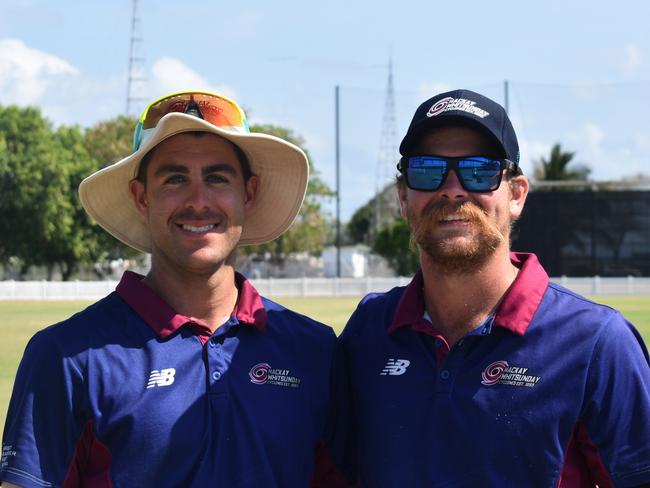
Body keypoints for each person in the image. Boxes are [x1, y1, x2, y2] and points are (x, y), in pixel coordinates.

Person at [0, 90, 339, 487]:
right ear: (141, 197)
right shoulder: (67, 357)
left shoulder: (314, 349)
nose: (198, 200)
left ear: (248, 193)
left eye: (217, 177)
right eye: (175, 179)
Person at [334, 89, 650, 487]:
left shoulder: (597, 342)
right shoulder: (370, 329)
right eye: (429, 170)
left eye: (479, 170)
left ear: (516, 195)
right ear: (403, 198)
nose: (452, 189)